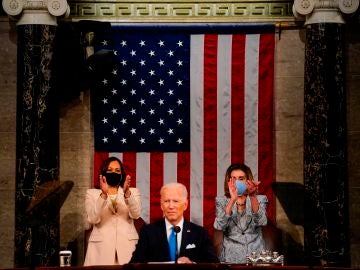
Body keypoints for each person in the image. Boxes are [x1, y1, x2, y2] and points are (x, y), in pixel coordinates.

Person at [130, 182, 219, 264]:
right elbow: (135, 264)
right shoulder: (148, 232)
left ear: (185, 205)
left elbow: (214, 264)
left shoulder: (200, 233)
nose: (171, 206)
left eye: (176, 201)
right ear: (161, 205)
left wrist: (192, 265)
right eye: (166, 201)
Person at [84, 156, 141, 266]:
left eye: (117, 170)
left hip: (127, 249)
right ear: (103, 173)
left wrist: (127, 194)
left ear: (121, 175)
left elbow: (136, 215)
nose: (113, 173)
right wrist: (103, 195)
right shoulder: (92, 193)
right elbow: (92, 219)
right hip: (100, 250)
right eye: (109, 170)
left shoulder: (132, 192)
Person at [213, 163, 268, 263]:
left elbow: (262, 222)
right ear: (228, 181)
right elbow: (220, 226)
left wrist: (252, 196)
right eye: (234, 179)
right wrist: (232, 199)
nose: (237, 182)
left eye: (241, 178)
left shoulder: (260, 199)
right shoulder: (222, 201)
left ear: (248, 180)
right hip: (230, 258)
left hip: (256, 257)